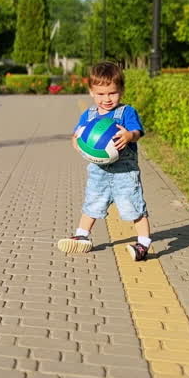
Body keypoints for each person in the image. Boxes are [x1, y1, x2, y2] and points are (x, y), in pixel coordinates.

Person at [58, 61, 152, 261]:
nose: (107, 99)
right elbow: (77, 135)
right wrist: (76, 143)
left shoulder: (126, 112)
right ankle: (82, 236)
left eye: (112, 93)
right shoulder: (89, 114)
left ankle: (143, 244)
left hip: (124, 172)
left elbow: (137, 132)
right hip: (98, 171)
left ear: (121, 91)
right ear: (91, 92)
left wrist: (129, 136)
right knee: (92, 203)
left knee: (133, 206)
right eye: (101, 94)